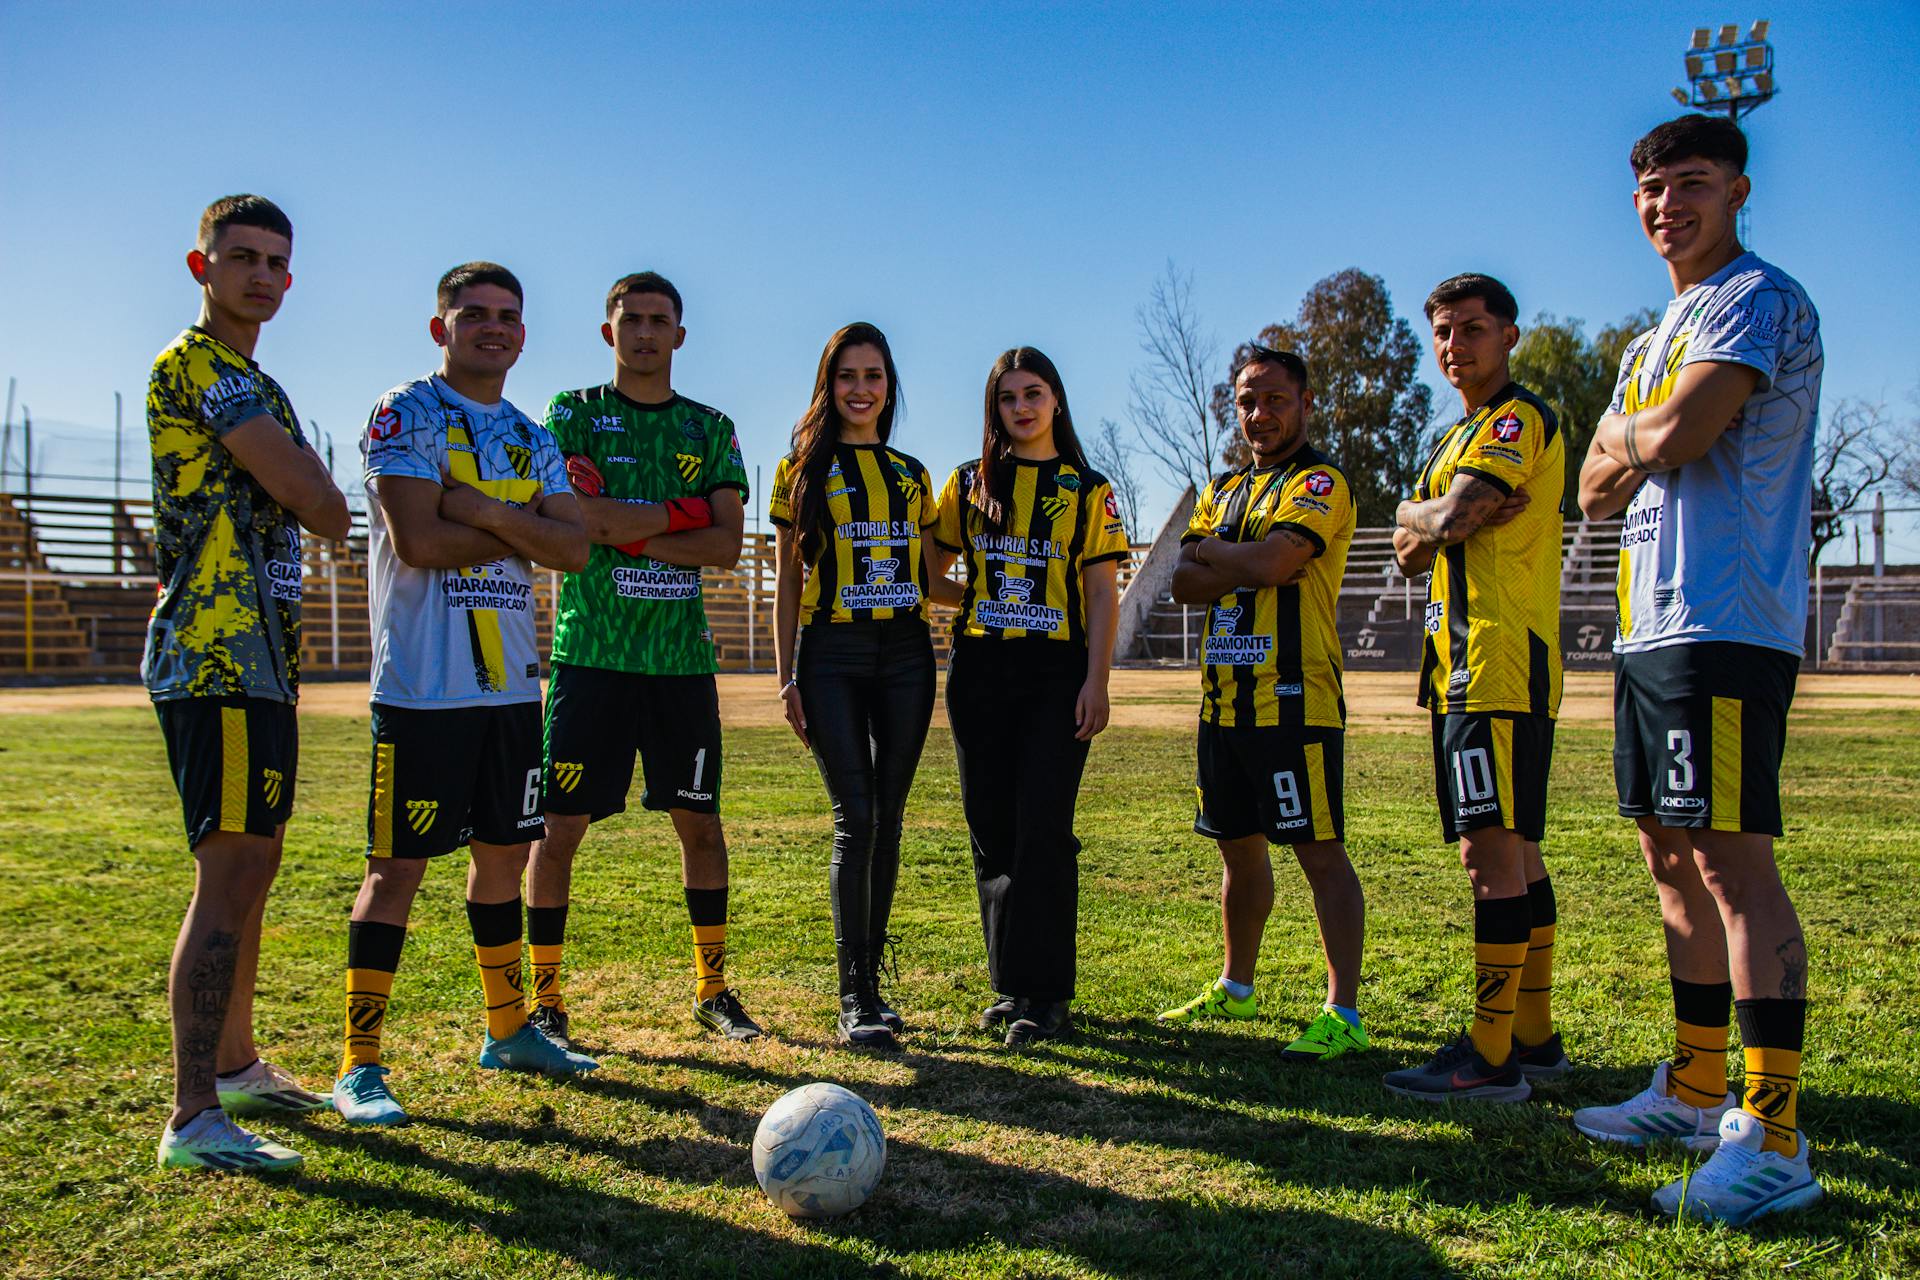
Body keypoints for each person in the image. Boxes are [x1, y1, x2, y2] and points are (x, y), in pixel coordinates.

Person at [1572, 115, 1824, 1225]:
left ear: (1738, 191)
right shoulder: (1647, 338)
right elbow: (1591, 485)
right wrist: (1643, 432)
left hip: (1726, 618)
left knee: (1732, 864)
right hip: (1649, 628)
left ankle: (1773, 1133)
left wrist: (1638, 435)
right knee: (1667, 853)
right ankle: (1695, 1083)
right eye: (1652, 189)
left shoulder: (1757, 298)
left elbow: (1676, 438)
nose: (1667, 204)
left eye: (1691, 184)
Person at [332, 262, 596, 1127]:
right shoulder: (403, 411)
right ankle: (360, 1063)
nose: (494, 328)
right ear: (439, 325)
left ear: (524, 331)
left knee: (502, 861)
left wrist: (476, 506)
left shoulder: (530, 433)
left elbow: (576, 552)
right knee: (396, 871)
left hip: (511, 690)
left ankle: (508, 1029)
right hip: (422, 689)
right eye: (474, 314)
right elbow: (415, 540)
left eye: (508, 317)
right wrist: (521, 524)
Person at [146, 195, 352, 1171]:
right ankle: (193, 1115)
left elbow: (326, 515)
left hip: (269, 666)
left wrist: (308, 482)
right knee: (226, 873)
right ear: (203, 266)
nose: (261, 275)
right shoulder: (198, 368)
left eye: (276, 260)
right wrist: (306, 477)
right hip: (215, 658)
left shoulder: (261, 381)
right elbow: (317, 497)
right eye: (242, 257)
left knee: (256, 868)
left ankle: (233, 1066)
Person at [527, 272, 761, 1045]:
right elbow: (577, 518)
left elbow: (726, 543)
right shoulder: (575, 414)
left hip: (678, 663)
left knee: (701, 824)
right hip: (591, 655)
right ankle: (548, 1000)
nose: (646, 333)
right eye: (632, 320)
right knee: (559, 830)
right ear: (609, 332)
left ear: (680, 336)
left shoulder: (709, 428)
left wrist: (626, 528)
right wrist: (677, 516)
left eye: (660, 321)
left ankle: (713, 988)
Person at [1384, 274, 1567, 1105]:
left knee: (1489, 853)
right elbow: (1409, 547)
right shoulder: (1452, 440)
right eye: (1444, 333)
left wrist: (1436, 512)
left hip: (1493, 661)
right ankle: (1534, 1039)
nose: (1455, 345)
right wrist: (1431, 507)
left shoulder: (1515, 419)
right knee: (1517, 848)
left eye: (1472, 329)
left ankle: (1490, 1059)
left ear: (1510, 336)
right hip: (1463, 664)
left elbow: (1448, 524)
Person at [1157, 346, 1368, 1063]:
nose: (1260, 414)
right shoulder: (1221, 489)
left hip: (1294, 702)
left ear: (1305, 403)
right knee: (1238, 855)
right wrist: (1232, 557)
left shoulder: (1320, 479)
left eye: (1275, 399)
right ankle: (1236, 986)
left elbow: (1279, 564)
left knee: (1319, 854)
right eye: (1248, 401)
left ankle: (1344, 1011)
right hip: (1223, 705)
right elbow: (1182, 585)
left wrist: (1218, 555)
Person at [930, 347, 1129, 1047]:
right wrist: (976, 600)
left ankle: (1046, 995)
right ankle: (1011, 984)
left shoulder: (1088, 488)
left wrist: (1096, 681)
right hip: (981, 670)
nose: (1021, 407)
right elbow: (929, 570)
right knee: (992, 829)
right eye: (1007, 397)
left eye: (1033, 392)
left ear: (1057, 401)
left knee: (1043, 828)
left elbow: (1102, 592)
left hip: (1056, 673)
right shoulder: (970, 484)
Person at [770, 323, 956, 1048]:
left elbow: (931, 579)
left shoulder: (912, 475)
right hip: (833, 654)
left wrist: (995, 594)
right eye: (847, 375)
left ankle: (874, 985)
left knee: (890, 814)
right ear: (829, 383)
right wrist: (787, 677)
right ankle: (854, 998)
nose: (860, 389)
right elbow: (789, 580)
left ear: (890, 386)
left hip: (908, 652)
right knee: (855, 816)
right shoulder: (801, 472)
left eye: (873, 375)